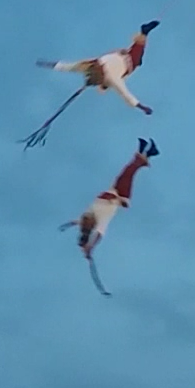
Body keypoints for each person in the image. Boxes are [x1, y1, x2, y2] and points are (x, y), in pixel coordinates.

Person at [59, 138, 160, 296]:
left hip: (113, 190)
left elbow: (79, 221)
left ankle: (146, 153)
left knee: (128, 170)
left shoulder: (87, 216)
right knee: (128, 172)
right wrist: (90, 247)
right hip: (121, 196)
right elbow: (99, 234)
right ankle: (145, 154)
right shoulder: (99, 222)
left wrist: (71, 225)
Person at [38, 20, 159, 115]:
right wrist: (49, 64)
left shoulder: (111, 78)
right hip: (118, 58)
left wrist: (143, 108)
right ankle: (143, 34)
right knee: (137, 52)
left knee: (138, 54)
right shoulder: (91, 66)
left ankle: (144, 32)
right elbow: (68, 67)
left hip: (127, 60)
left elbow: (127, 96)